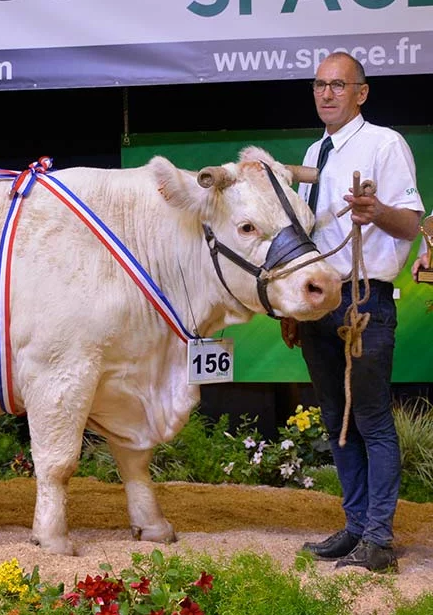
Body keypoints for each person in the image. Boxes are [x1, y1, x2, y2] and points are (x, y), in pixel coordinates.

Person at [280, 52, 423, 573]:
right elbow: (304, 237)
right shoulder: (313, 151)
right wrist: (292, 307)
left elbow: (411, 225)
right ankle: (358, 525)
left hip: (365, 300)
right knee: (337, 419)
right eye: (320, 85)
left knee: (370, 420)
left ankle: (380, 539)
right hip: (320, 301)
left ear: (361, 93)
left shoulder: (385, 143)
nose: (327, 94)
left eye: (338, 85)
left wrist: (376, 211)